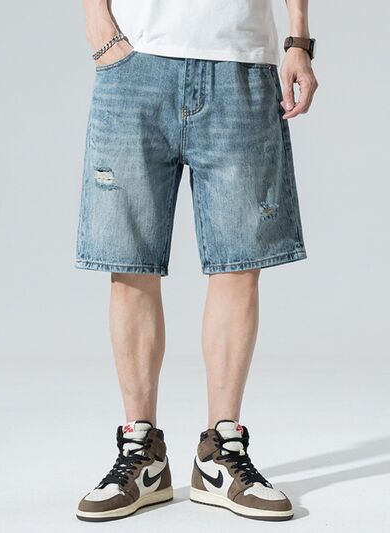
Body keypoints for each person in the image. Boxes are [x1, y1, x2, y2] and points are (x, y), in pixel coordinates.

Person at [75, 0, 318, 522]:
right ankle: (142, 452)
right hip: (135, 64)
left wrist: (298, 40)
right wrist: (98, 22)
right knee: (129, 262)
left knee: (239, 264)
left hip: (242, 63)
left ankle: (220, 454)